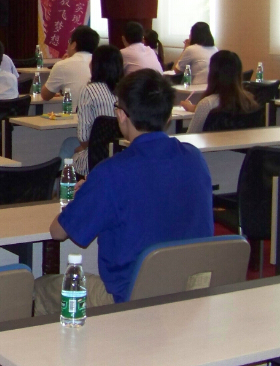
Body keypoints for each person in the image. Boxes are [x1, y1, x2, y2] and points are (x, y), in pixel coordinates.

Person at [33, 70, 214, 313]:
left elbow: (58, 232)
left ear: (120, 115)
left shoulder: (111, 172)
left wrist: (88, 193)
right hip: (190, 296)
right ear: (169, 116)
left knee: (41, 288)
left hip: (131, 303)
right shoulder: (195, 159)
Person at [72, 45, 124, 176]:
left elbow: (83, 137)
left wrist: (83, 148)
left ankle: (63, 186)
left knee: (67, 147)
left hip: (94, 161)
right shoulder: (126, 90)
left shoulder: (89, 90)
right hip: (120, 158)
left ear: (96, 65)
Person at [182, 50, 259, 133]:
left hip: (211, 141)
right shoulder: (249, 102)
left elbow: (191, 135)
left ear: (213, 74)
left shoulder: (207, 103)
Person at [41, 25, 100, 101]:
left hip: (75, 109)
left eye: (69, 41)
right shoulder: (102, 63)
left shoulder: (62, 65)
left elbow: (45, 95)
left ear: (74, 45)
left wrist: (61, 64)